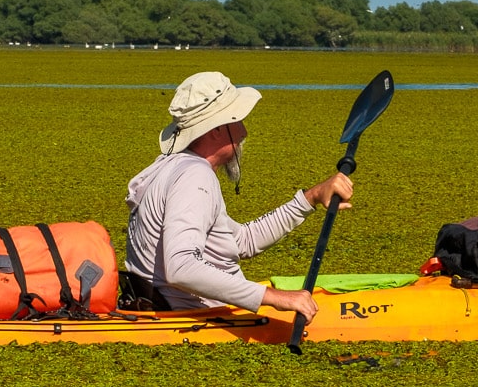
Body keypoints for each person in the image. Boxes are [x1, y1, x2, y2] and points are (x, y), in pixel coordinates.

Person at [123, 71, 353, 318]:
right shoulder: (194, 176)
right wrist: (273, 297)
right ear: (216, 129)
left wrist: (311, 198)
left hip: (166, 310)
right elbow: (181, 267)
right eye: (238, 120)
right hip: (194, 321)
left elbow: (243, 241)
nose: (243, 131)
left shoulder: (172, 166)